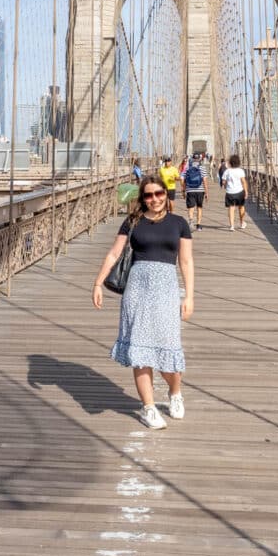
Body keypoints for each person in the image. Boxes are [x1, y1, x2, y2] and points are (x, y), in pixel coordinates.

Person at [92, 175, 194, 430]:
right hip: (137, 289)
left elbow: (186, 262)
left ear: (165, 194)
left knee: (167, 347)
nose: (154, 199)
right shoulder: (132, 221)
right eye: (148, 195)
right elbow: (115, 253)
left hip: (166, 290)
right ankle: (148, 408)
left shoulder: (179, 223)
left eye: (158, 193)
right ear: (142, 198)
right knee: (140, 352)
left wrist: (189, 296)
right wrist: (97, 283)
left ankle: (175, 392)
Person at [222, 153, 248, 231]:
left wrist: (226, 186)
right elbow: (243, 182)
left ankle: (232, 226)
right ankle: (242, 223)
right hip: (239, 192)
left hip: (230, 192)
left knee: (231, 208)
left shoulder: (227, 171)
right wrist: (246, 191)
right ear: (238, 162)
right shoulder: (240, 171)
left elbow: (223, 182)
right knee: (241, 207)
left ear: (230, 162)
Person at [182, 153, 208, 230]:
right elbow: (205, 180)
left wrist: (183, 190)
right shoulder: (202, 168)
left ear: (192, 159)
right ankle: (199, 225)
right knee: (199, 207)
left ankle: (190, 222)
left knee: (191, 207)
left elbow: (182, 179)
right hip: (200, 191)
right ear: (199, 159)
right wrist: (206, 192)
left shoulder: (187, 168)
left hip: (190, 190)